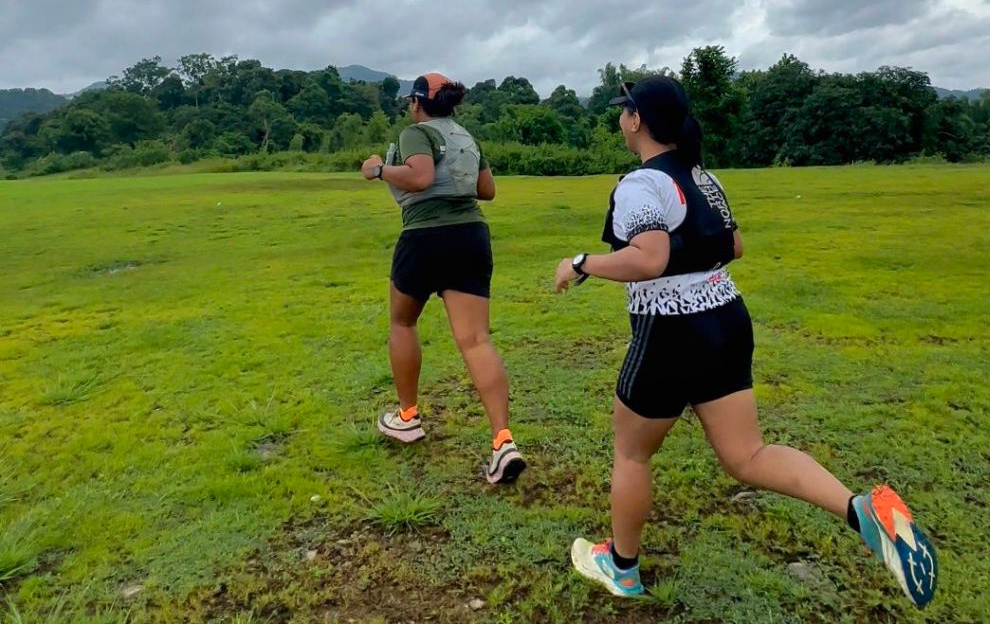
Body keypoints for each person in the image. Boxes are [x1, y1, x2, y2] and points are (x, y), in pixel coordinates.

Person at [554, 76, 937, 608]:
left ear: (637, 120)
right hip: (726, 317)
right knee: (748, 454)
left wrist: (581, 264)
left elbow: (648, 259)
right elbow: (733, 244)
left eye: (624, 111)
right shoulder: (701, 176)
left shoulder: (640, 184)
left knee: (631, 452)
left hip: (672, 329)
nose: (620, 119)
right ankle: (862, 511)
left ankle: (620, 569)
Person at [360, 72, 526, 485]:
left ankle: (407, 416)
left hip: (425, 236)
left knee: (402, 321)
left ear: (418, 103)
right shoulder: (467, 138)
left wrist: (380, 170)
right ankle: (503, 441)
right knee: (476, 340)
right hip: (471, 235)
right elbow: (486, 190)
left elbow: (419, 178)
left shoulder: (417, 134)